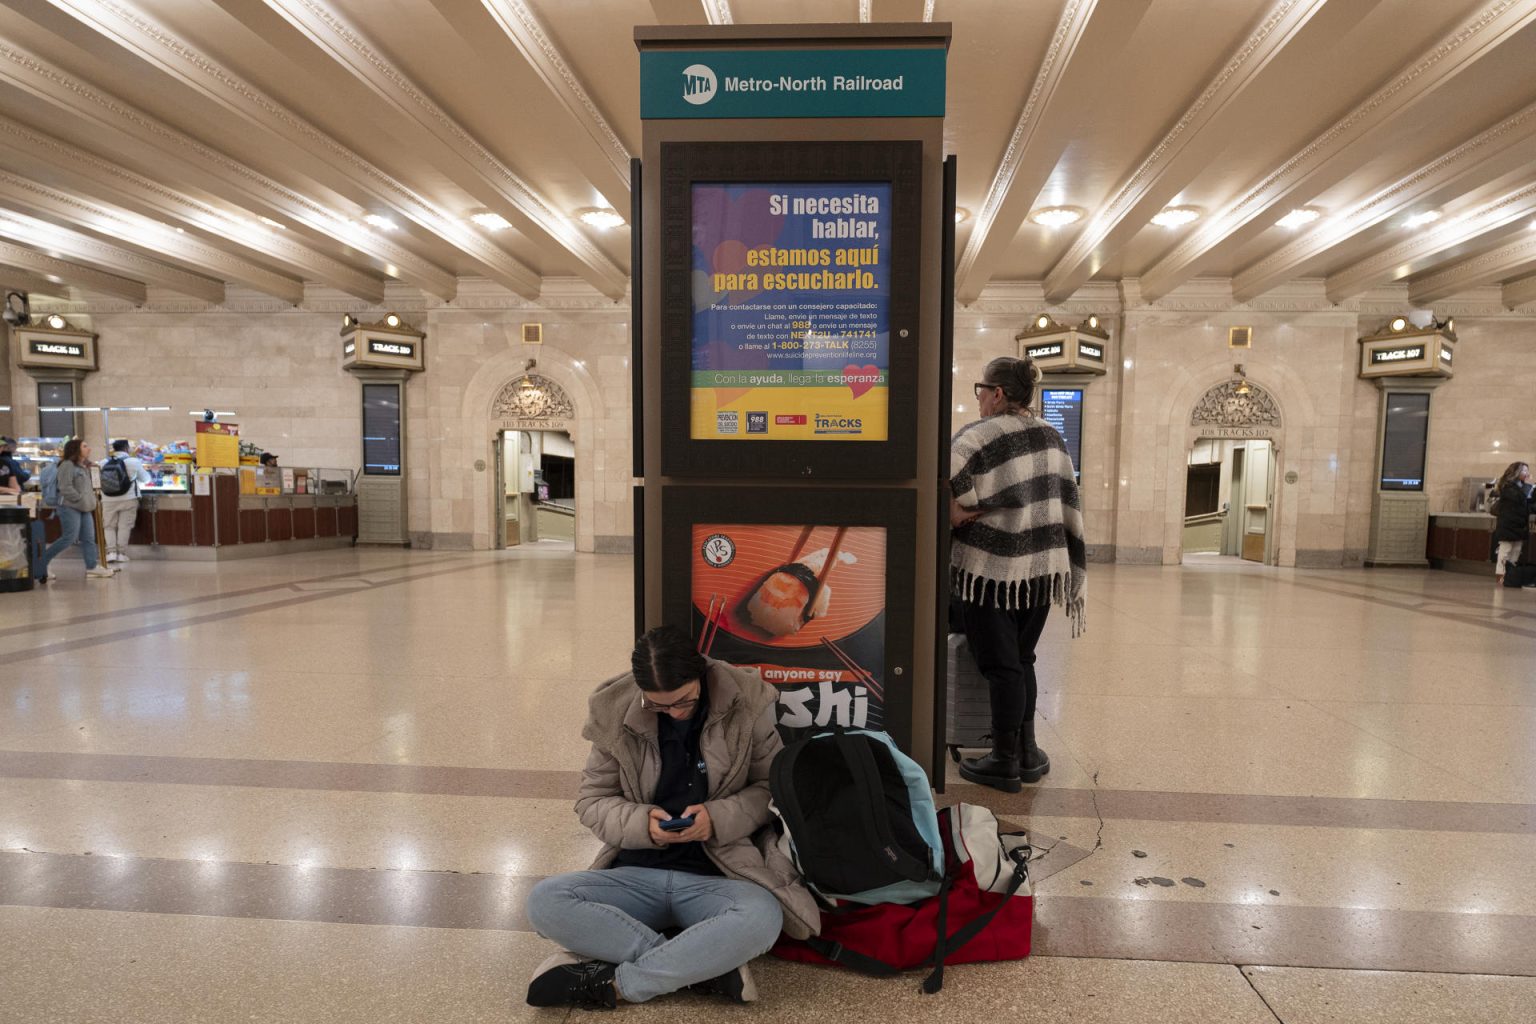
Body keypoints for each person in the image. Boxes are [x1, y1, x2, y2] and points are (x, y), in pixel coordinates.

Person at [523, 625, 817, 1011]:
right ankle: (702, 970)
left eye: (684, 702)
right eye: (658, 706)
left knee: (762, 917)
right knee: (545, 901)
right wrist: (643, 825)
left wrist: (717, 818)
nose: (674, 713)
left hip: (719, 872)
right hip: (634, 872)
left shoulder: (746, 703)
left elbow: (772, 789)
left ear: (701, 676)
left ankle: (616, 985)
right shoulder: (613, 713)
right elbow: (592, 801)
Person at [950, 355, 1086, 793]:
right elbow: (1066, 496)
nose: (979, 401)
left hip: (991, 572)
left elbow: (950, 479)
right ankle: (1028, 752)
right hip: (1042, 569)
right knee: (1023, 658)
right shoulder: (1052, 436)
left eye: (981, 391)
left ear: (999, 393)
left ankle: (1004, 760)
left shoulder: (978, 435)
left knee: (1000, 665)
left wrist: (977, 505)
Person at [38, 439, 114, 583]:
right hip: (69, 507)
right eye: (85, 446)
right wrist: (79, 498)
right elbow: (65, 487)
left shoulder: (83, 466)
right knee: (69, 538)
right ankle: (42, 563)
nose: (89, 449)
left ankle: (92, 567)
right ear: (75, 449)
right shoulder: (67, 465)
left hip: (84, 507)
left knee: (89, 538)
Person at [100, 439, 149, 563]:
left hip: (107, 499)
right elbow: (146, 479)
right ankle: (121, 554)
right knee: (124, 526)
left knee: (109, 526)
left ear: (114, 449)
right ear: (127, 448)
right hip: (129, 498)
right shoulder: (134, 462)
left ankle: (110, 553)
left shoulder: (103, 462)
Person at [1492, 461, 1532, 585]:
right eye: (1524, 471)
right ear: (1516, 472)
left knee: (1516, 551)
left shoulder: (1522, 486)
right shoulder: (1507, 486)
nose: (1527, 473)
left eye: (1527, 470)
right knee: (1505, 551)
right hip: (1508, 525)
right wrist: (1529, 488)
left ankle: (1510, 576)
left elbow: (1526, 504)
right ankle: (1501, 577)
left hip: (1519, 525)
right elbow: (1518, 500)